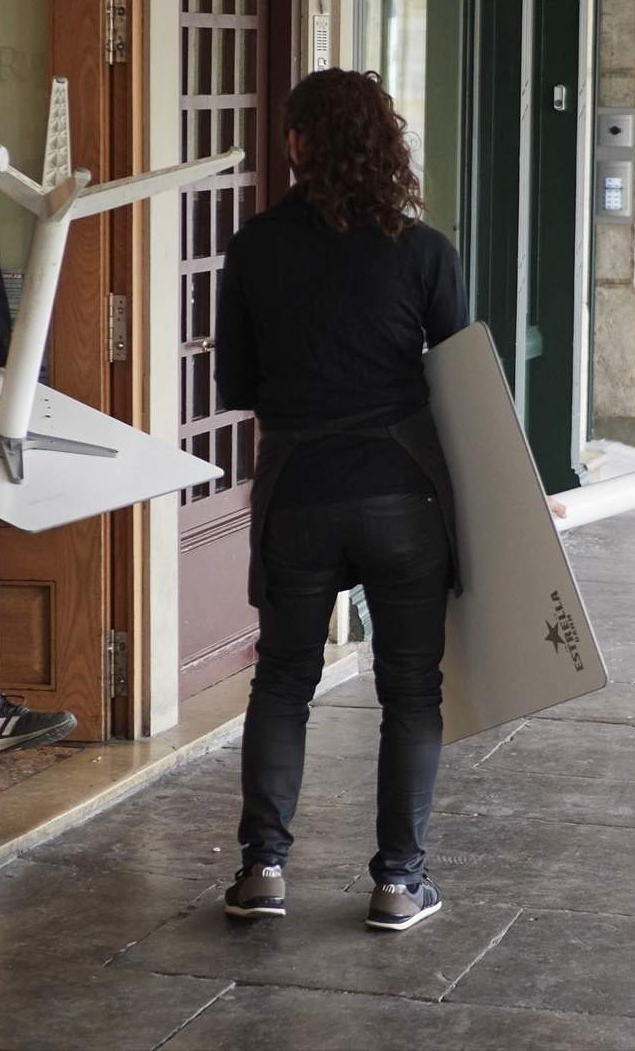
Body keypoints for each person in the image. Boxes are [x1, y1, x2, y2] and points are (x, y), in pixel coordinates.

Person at [214, 68, 465, 933]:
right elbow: (463, 388)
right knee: (410, 693)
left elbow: (237, 381)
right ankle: (399, 883)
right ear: (389, 144)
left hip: (299, 495)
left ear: (294, 145)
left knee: (283, 683)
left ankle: (263, 871)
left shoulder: (253, 247)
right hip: (403, 497)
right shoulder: (426, 252)